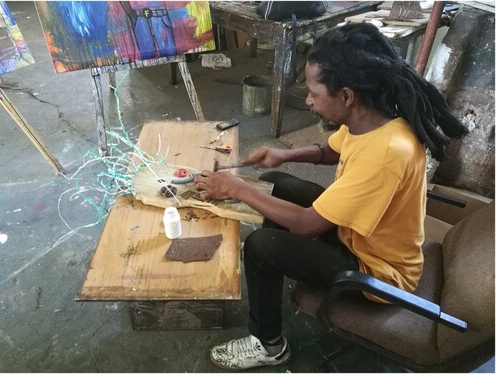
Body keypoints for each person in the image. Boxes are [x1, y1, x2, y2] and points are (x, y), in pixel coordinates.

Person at [194, 22, 467, 371]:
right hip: (360, 238)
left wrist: (236, 188)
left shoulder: (385, 153)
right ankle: (279, 265)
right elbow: (330, 150)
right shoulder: (372, 120)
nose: (308, 100)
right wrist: (284, 154)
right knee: (277, 181)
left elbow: (307, 225)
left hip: (377, 274)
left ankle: (269, 344)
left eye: (312, 92)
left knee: (261, 246)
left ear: (346, 96)